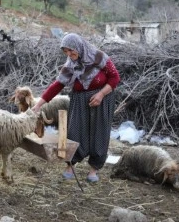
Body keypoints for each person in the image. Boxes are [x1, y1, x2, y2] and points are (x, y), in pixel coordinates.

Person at [32, 33, 120, 182]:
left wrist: (100, 95)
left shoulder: (98, 57)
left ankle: (93, 170)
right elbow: (58, 85)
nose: (69, 55)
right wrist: (39, 105)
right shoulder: (70, 65)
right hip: (79, 100)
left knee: (100, 133)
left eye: (72, 51)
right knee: (75, 132)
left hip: (102, 98)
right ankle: (70, 165)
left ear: (79, 47)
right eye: (65, 51)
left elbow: (115, 77)